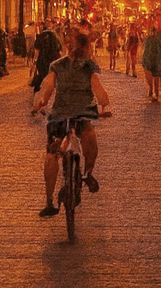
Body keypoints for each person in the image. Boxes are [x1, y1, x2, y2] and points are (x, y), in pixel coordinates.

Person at [33, 30, 110, 219]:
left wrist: (41, 102)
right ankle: (87, 174)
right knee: (90, 142)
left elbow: (48, 87)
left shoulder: (57, 66)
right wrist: (104, 105)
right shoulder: (89, 67)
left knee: (52, 154)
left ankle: (49, 202)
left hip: (59, 117)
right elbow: (100, 93)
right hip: (83, 115)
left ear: (68, 47)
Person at [141, 24, 161, 103]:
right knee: (155, 77)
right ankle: (155, 93)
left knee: (153, 77)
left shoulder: (149, 39)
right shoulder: (157, 40)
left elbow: (145, 50)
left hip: (152, 61)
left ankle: (154, 92)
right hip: (156, 61)